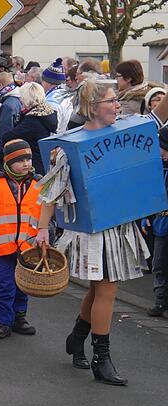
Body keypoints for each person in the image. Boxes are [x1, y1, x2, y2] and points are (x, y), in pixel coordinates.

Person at [36, 78, 151, 386]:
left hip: (118, 224)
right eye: (111, 101)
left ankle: (78, 337)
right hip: (91, 229)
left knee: (98, 288)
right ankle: (102, 358)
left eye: (117, 101)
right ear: (92, 107)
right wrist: (42, 229)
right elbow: (51, 191)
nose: (118, 105)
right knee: (107, 287)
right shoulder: (70, 147)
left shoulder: (123, 134)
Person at [0, 139, 41, 339]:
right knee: (3, 284)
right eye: (20, 160)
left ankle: (19, 318)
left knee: (23, 284)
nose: (26, 163)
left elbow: (48, 214)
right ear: (8, 162)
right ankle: (2, 322)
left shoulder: (40, 185)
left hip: (28, 246)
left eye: (28, 159)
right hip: (0, 246)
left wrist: (45, 233)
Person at [0, 82, 58, 175]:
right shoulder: (46, 113)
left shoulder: (32, 120)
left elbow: (7, 137)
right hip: (40, 161)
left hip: (32, 166)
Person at [147, 126, 168, 316]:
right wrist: (146, 215)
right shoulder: (158, 169)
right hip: (161, 225)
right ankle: (160, 299)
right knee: (159, 263)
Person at [41, 58, 73, 134]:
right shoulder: (66, 95)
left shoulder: (52, 102)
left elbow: (54, 129)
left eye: (43, 81)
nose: (42, 83)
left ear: (50, 83)